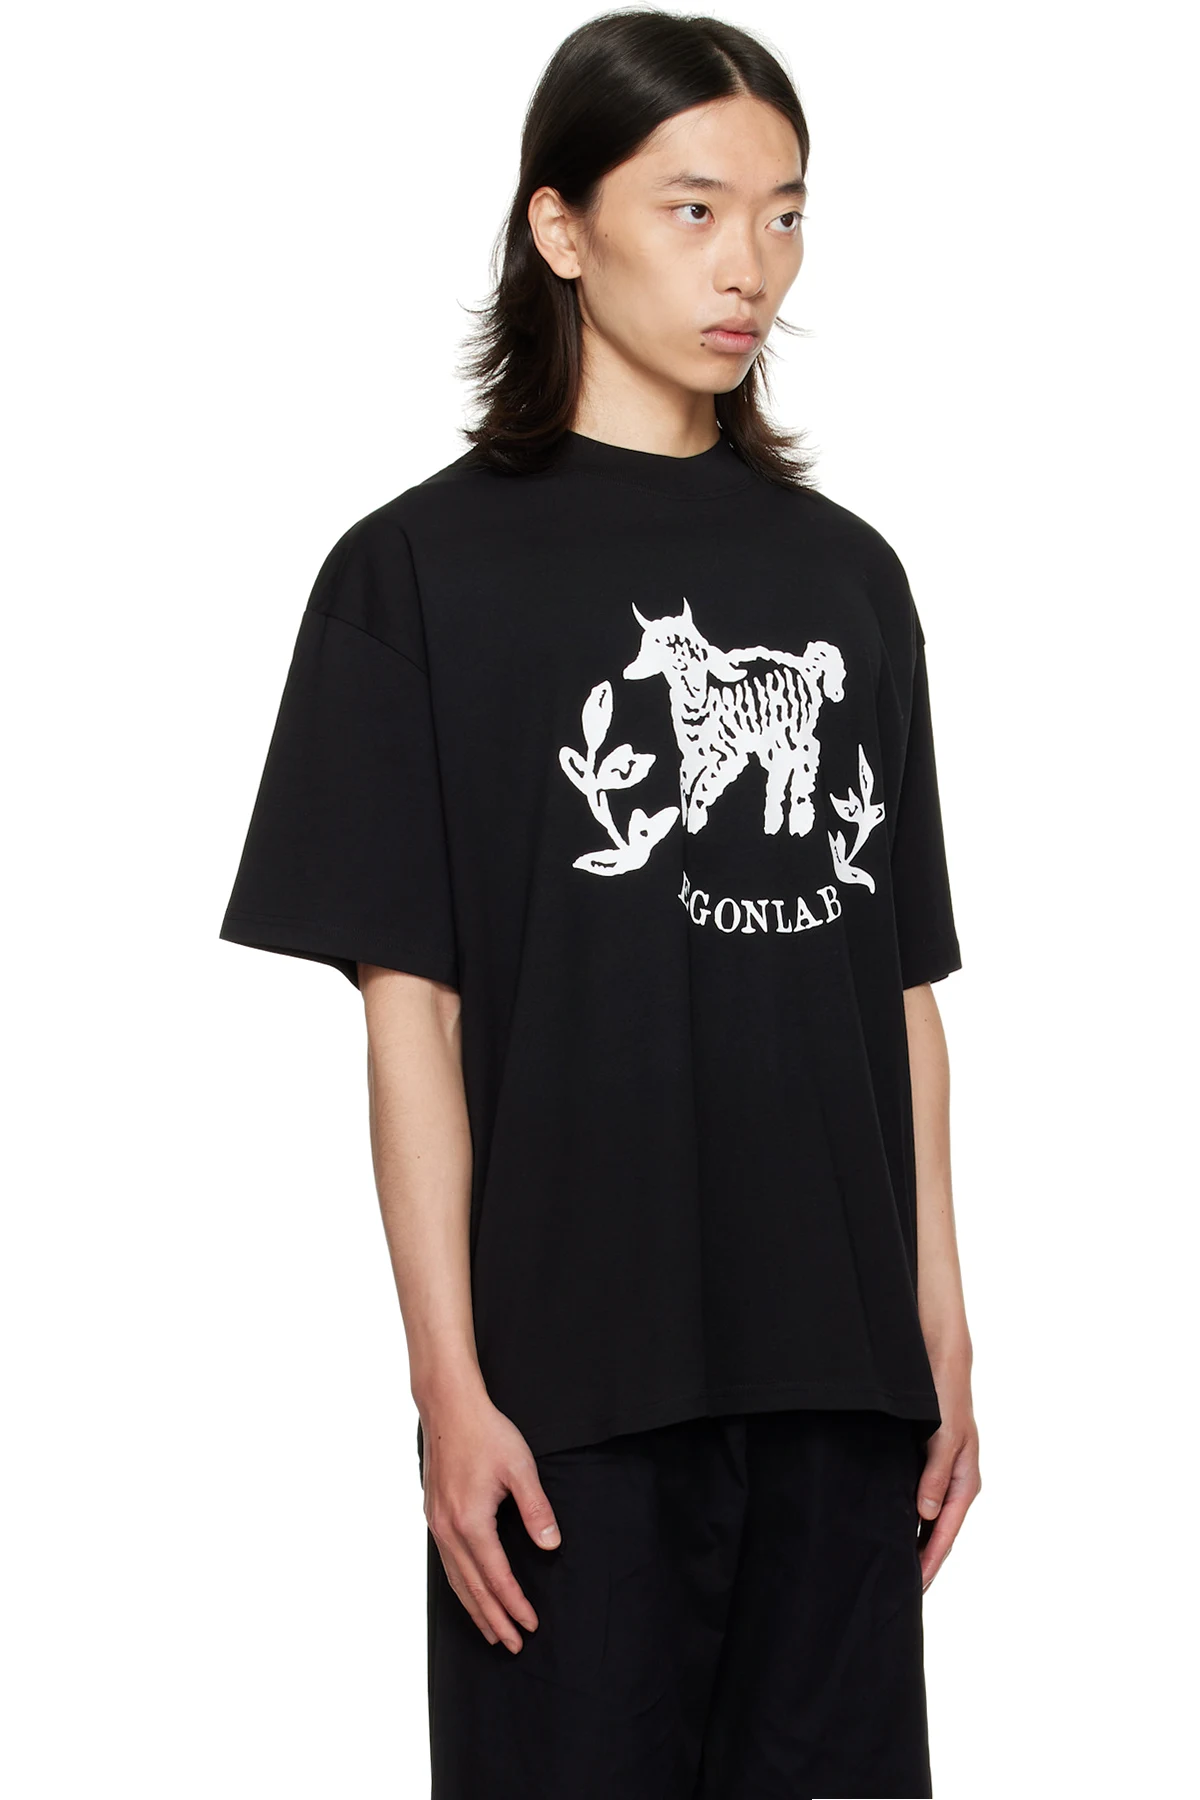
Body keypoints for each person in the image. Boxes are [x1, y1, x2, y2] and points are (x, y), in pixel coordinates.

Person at [219, 10, 981, 1795]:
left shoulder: (848, 578)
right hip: (570, 1396)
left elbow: (899, 985)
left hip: (838, 1375)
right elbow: (409, 1012)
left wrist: (940, 1330)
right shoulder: (412, 573)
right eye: (694, 209)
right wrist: (448, 1385)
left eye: (785, 216)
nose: (750, 267)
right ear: (560, 227)